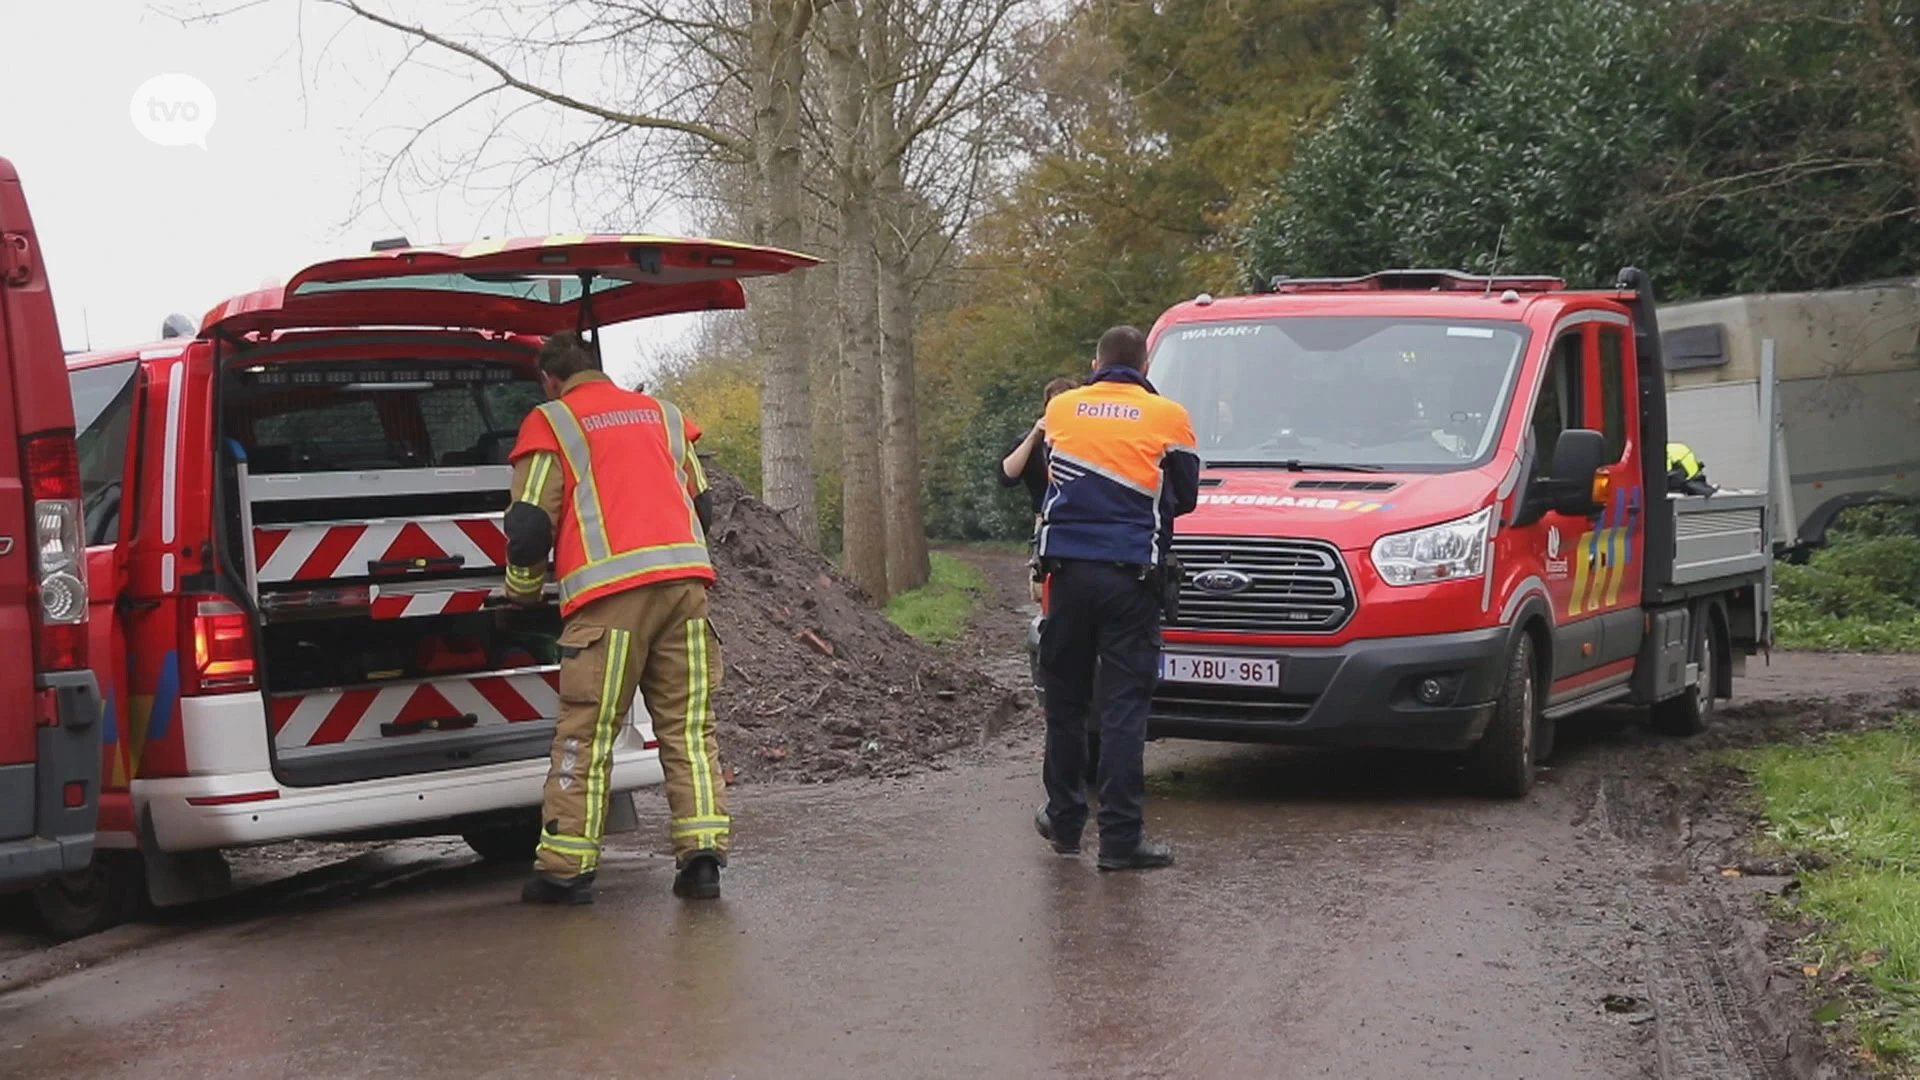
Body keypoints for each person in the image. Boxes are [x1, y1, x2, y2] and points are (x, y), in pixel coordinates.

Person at [502, 332, 731, 905]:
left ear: (549, 379)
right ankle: (702, 857)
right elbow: (702, 506)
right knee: (688, 730)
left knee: (587, 733)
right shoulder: (665, 414)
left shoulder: (552, 421)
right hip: (685, 589)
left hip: (608, 602)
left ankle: (565, 870)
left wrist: (522, 594)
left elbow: (529, 526)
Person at [1032, 326, 1199, 871]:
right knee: (1125, 709)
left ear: (1095, 362)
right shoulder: (1168, 415)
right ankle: (1121, 842)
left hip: (1069, 576)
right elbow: (1187, 497)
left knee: (1066, 705)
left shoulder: (1063, 410)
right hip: (1132, 578)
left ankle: (1063, 825)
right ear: (1145, 367)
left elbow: (1046, 477)